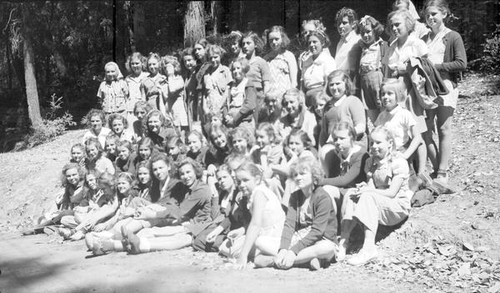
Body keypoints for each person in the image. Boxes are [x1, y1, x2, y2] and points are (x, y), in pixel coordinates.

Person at [339, 126, 412, 265]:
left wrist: (368, 192)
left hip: (397, 206)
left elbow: (391, 193)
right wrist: (364, 188)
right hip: (379, 202)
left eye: (378, 142)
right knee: (351, 193)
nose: (374, 146)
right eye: (372, 142)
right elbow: (371, 187)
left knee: (367, 196)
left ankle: (368, 248)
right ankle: (344, 241)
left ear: (390, 143)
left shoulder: (398, 162)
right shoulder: (371, 161)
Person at [261, 157, 338, 270]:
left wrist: (293, 251)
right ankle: (308, 260)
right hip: (301, 238)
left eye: (302, 174)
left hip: (321, 239)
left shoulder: (322, 197)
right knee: (260, 242)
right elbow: (289, 225)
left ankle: (277, 261)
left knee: (327, 249)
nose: (298, 178)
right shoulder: (295, 196)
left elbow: (317, 231)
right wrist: (283, 249)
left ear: (314, 175)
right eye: (295, 175)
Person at [123, 157, 212, 254]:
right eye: (182, 174)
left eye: (188, 172)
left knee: (158, 233)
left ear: (195, 172)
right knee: (148, 231)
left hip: (195, 225)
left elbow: (179, 212)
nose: (186, 176)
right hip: (183, 220)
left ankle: (134, 245)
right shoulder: (186, 187)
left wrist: (152, 215)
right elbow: (172, 206)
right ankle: (122, 240)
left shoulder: (201, 189)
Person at [421, 0, 467, 184]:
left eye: (434, 14)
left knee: (443, 128)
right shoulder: (424, 39)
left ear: (444, 14)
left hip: (445, 86)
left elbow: (461, 63)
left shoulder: (452, 36)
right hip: (426, 88)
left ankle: (442, 171)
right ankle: (437, 164)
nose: (430, 17)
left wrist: (436, 66)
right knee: (425, 129)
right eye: (428, 15)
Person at [234, 162, 286, 269]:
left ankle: (291, 258)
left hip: (276, 237)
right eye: (239, 182)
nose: (241, 185)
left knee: (255, 244)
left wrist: (243, 256)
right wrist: (241, 231)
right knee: (228, 247)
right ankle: (269, 258)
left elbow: (255, 224)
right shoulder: (253, 194)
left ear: (257, 179)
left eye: (245, 180)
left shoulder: (260, 193)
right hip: (265, 235)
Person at [192, 164, 251, 252]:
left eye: (225, 177)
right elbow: (228, 217)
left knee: (199, 241)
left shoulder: (239, 193)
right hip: (225, 227)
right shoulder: (223, 193)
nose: (222, 181)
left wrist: (215, 198)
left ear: (232, 177)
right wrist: (215, 232)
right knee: (198, 238)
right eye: (219, 179)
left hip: (238, 230)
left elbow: (220, 217)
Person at [375, 79, 424, 174]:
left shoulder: (404, 114)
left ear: (398, 95)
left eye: (390, 93)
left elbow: (417, 137)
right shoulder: (381, 116)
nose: (385, 97)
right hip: (385, 153)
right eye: (383, 94)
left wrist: (405, 155)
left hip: (400, 151)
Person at [86, 172, 139, 255]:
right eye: (119, 184)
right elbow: (118, 214)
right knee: (90, 238)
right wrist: (105, 224)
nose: (120, 186)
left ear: (131, 184)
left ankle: (105, 244)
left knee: (119, 226)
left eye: (123, 183)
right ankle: (102, 242)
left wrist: (104, 224)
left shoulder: (132, 194)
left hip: (131, 221)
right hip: (122, 222)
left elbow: (121, 212)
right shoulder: (122, 196)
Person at [58, 172, 117, 241]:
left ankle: (79, 231)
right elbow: (95, 208)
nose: (103, 191)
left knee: (104, 207)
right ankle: (79, 230)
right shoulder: (96, 193)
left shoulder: (116, 195)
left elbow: (112, 209)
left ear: (110, 186)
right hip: (91, 218)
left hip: (110, 220)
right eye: (88, 181)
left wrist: (95, 219)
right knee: (65, 219)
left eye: (104, 189)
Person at [318, 71, 366, 148]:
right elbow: (323, 134)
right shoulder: (327, 107)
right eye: (331, 85)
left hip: (352, 145)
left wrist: (339, 136)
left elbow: (361, 127)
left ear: (346, 84)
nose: (334, 87)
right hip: (332, 147)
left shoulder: (353, 101)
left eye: (338, 84)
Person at [356, 15, 388, 123]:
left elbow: (387, 68)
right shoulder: (361, 49)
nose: (365, 35)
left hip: (379, 84)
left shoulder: (382, 46)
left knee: (385, 115)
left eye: (368, 31)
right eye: (362, 33)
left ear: (375, 31)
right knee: (373, 119)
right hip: (366, 86)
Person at [319, 122, 369, 190]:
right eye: (335, 139)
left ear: (352, 138)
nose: (338, 142)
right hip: (341, 190)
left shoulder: (361, 155)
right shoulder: (336, 155)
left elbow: (344, 180)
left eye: (342, 138)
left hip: (355, 191)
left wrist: (318, 181)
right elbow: (332, 177)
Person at [300, 30, 336, 108]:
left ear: (322, 43)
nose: (311, 45)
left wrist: (322, 98)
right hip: (308, 98)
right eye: (309, 43)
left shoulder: (328, 60)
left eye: (314, 42)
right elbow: (302, 83)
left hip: (321, 96)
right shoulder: (306, 61)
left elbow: (328, 82)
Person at [242, 32, 271, 122]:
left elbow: (266, 83)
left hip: (257, 96)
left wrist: (265, 101)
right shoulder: (241, 62)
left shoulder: (261, 62)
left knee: (257, 121)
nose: (245, 46)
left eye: (248, 43)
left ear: (255, 45)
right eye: (243, 44)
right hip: (243, 95)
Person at [263, 26, 298, 99]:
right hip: (270, 97)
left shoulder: (288, 56)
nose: (274, 42)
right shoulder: (266, 58)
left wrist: (290, 96)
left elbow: (294, 81)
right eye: (271, 40)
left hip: (285, 96)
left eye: (276, 39)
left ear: (282, 39)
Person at [223, 57, 257, 130]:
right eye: (233, 69)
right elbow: (225, 103)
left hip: (243, 120)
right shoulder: (231, 85)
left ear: (244, 69)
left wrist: (235, 119)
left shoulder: (248, 84)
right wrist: (226, 116)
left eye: (238, 68)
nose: (236, 71)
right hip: (230, 120)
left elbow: (250, 105)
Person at [202, 45, 232, 126]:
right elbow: (205, 93)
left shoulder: (225, 70)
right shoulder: (206, 73)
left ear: (220, 56)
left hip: (221, 107)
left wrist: (219, 107)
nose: (213, 60)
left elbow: (227, 91)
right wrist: (204, 107)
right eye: (210, 58)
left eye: (215, 57)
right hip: (210, 107)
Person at [161, 55, 188, 135]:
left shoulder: (179, 79)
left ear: (175, 67)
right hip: (168, 112)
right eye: (165, 68)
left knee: (180, 136)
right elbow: (163, 99)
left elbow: (172, 89)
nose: (167, 70)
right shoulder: (164, 82)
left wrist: (170, 75)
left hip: (178, 112)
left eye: (169, 67)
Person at [334, 7, 362, 81]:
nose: (340, 26)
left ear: (353, 24)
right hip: (339, 79)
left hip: (351, 80)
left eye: (344, 23)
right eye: (339, 23)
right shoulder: (340, 42)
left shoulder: (357, 40)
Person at [125, 52, 149, 125]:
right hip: (131, 109)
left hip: (144, 109)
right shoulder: (127, 78)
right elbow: (126, 95)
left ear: (142, 63)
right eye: (132, 64)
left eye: (137, 63)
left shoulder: (147, 76)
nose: (135, 66)